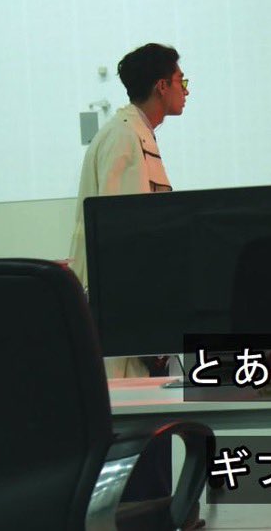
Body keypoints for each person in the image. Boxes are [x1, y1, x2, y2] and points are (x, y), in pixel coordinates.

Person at [68, 43, 188, 379]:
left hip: (135, 310)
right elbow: (121, 238)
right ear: (161, 86)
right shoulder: (123, 137)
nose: (186, 90)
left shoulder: (138, 134)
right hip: (123, 316)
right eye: (181, 81)